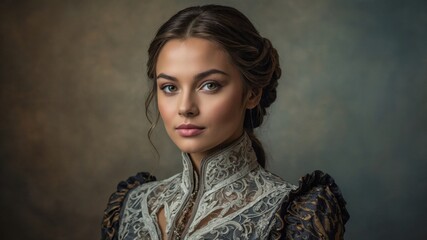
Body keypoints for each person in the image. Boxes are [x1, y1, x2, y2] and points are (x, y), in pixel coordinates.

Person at [101, 4, 349, 240]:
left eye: (210, 85)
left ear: (252, 93)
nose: (186, 107)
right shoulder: (132, 204)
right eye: (169, 87)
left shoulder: (295, 213)